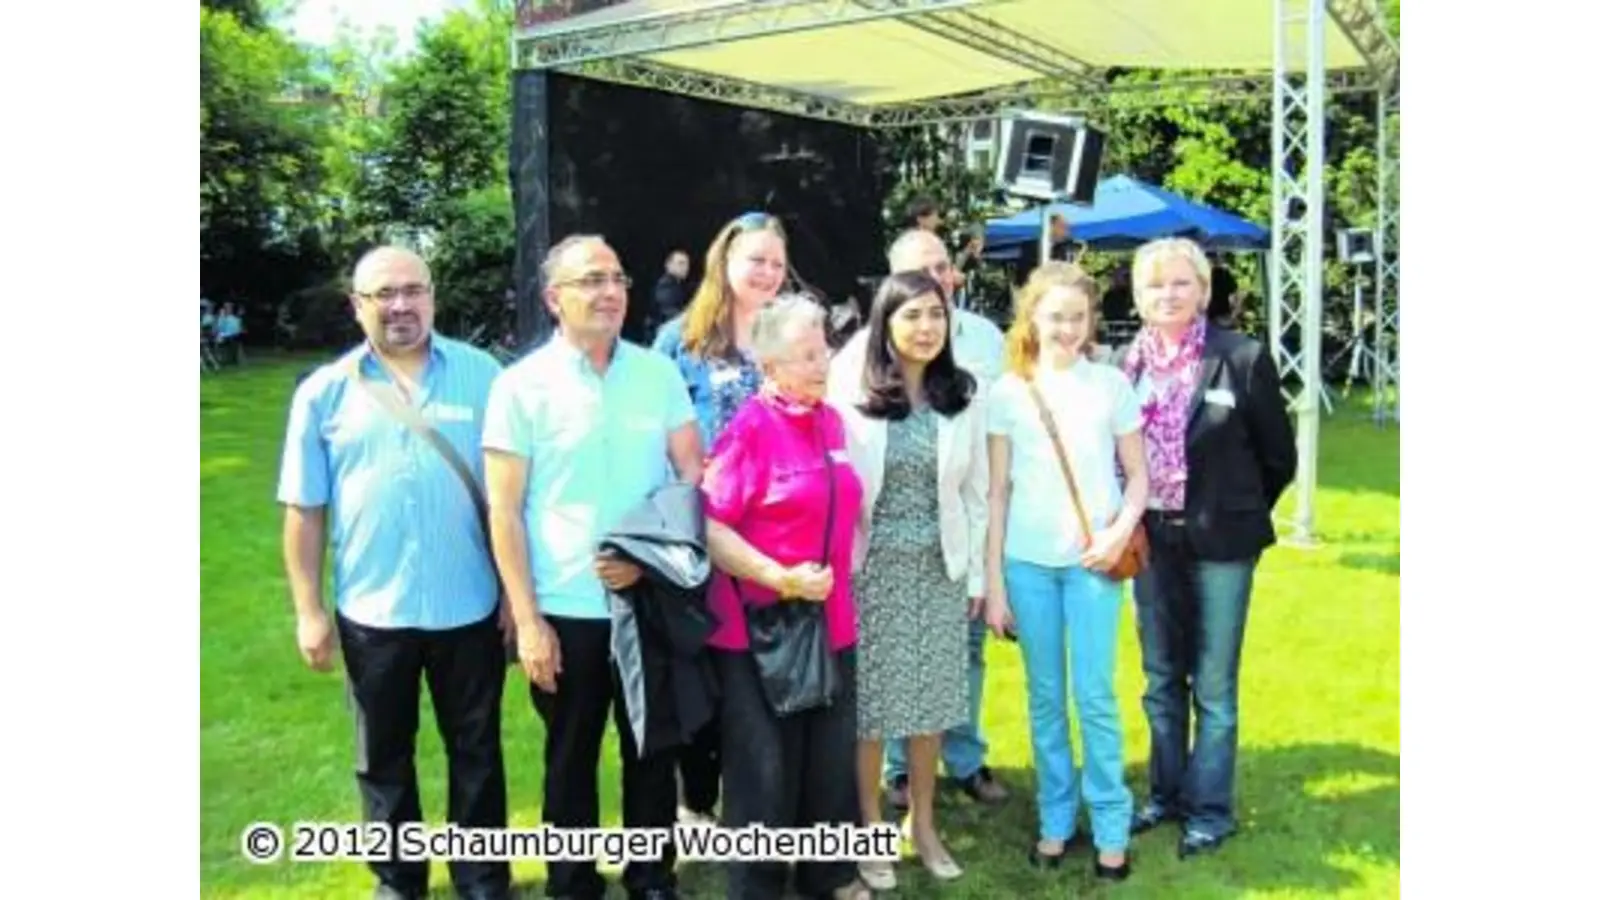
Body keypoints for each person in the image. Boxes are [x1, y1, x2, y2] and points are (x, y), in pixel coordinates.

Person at [276, 246, 512, 900]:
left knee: (477, 751)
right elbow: (303, 509)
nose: (401, 305)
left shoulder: (485, 376)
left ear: (433, 296)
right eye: (383, 294)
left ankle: (482, 878)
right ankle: (398, 882)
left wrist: (516, 596)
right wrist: (309, 610)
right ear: (357, 306)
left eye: (413, 290)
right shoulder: (323, 392)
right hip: (372, 612)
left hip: (470, 604)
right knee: (382, 759)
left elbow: (511, 498)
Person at [483, 235, 703, 900]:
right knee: (570, 757)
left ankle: (651, 877)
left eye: (617, 278)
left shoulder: (657, 375)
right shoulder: (520, 387)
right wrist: (528, 622)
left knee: (652, 750)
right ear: (554, 298)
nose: (610, 291)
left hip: (647, 602)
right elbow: (504, 511)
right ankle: (573, 881)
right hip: (565, 610)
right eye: (591, 280)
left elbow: (690, 475)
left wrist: (649, 559)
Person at [1113, 237, 1296, 860]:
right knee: (1161, 675)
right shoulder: (1122, 365)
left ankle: (1210, 811)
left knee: (1214, 684)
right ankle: (1165, 795)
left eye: (1180, 283)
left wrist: (1234, 508)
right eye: (1155, 284)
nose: (1167, 294)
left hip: (1222, 541)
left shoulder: (1240, 357)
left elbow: (1278, 457)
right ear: (1138, 295)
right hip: (1150, 539)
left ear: (1203, 290)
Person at [829, 228, 1008, 810]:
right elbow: (838, 479)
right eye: (913, 312)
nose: (927, 324)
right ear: (888, 314)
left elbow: (977, 491)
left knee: (936, 697)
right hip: (871, 567)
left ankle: (929, 817)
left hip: (940, 564)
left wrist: (977, 576)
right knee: (873, 705)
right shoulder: (853, 380)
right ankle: (873, 817)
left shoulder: (964, 386)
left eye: (937, 313)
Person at [699, 294, 871, 900]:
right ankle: (757, 886)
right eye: (806, 356)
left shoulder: (831, 421)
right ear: (770, 365)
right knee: (763, 769)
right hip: (762, 631)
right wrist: (779, 576)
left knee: (829, 758)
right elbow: (710, 527)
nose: (822, 364)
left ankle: (829, 873)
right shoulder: (748, 430)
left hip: (831, 622)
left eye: (823, 351)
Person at [983, 262, 1148, 881]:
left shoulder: (1110, 384)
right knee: (1046, 698)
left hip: (1094, 564)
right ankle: (1056, 818)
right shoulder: (1007, 393)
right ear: (1032, 317)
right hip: (1028, 566)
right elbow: (997, 492)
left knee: (1096, 696)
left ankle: (1110, 822)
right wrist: (994, 585)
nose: (1068, 328)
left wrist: (1116, 533)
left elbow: (1139, 476)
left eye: (1078, 317)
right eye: (1056, 317)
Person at [650, 210, 789, 823]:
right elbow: (655, 435)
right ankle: (697, 802)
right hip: (700, 534)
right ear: (724, 261)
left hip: (775, 535)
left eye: (777, 263)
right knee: (701, 669)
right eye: (756, 260)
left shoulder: (790, 336)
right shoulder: (677, 342)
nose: (768, 273)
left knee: (763, 674)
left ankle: (761, 801)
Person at [648, 249, 692, 341]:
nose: (685, 267)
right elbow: (669, 311)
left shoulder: (678, 285)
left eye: (687, 264)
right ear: (668, 265)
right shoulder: (665, 285)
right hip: (660, 335)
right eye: (681, 263)